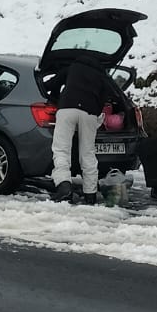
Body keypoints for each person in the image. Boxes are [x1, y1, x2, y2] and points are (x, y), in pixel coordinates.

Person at [45, 49, 112, 204]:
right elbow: (108, 96)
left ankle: (64, 187)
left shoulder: (72, 68)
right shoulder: (101, 75)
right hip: (89, 113)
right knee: (88, 153)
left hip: (67, 109)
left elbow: (50, 84)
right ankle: (90, 195)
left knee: (61, 150)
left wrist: (55, 96)